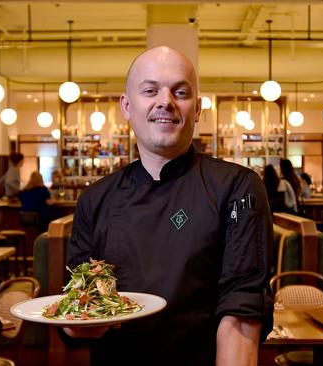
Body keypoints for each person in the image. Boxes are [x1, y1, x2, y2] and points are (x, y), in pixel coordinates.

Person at [65, 46, 273, 365]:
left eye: (180, 91)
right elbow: (76, 304)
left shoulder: (238, 187)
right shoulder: (95, 199)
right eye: (150, 90)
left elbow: (241, 313)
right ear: (127, 105)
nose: (166, 101)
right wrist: (76, 324)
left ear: (198, 108)